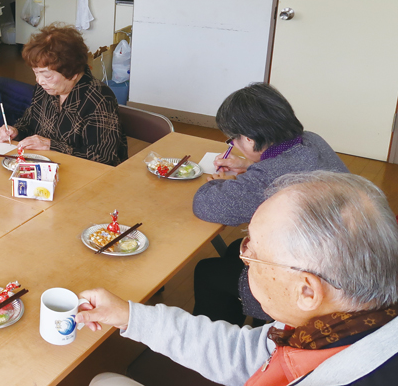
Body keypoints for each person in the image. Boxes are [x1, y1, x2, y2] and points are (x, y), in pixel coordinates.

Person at [79, 171, 398, 386]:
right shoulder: (322, 325)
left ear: (306, 291)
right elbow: (246, 354)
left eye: (254, 253)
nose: (243, 257)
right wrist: (128, 315)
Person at [192, 82, 348, 325]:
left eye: (233, 139)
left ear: (249, 139)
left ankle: (234, 342)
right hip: (346, 254)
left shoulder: (269, 178)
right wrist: (250, 166)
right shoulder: (311, 141)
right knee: (236, 249)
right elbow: (289, 169)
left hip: (317, 288)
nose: (234, 145)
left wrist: (218, 182)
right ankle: (257, 322)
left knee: (207, 272)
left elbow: (205, 204)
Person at [0, 24, 126, 166]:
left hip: (86, 176)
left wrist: (51, 145)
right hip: (45, 167)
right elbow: (29, 122)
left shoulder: (99, 98)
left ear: (72, 72)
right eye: (35, 73)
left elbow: (103, 158)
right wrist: (15, 131)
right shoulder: (45, 89)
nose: (39, 81)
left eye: (47, 75)